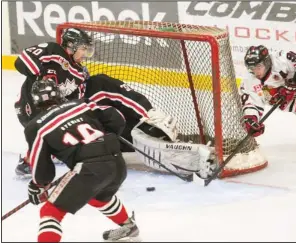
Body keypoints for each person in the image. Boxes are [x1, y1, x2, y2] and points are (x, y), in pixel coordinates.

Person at [25, 78, 139, 242]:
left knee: (50, 211)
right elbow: (117, 117)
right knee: (98, 196)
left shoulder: (35, 126)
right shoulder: (82, 103)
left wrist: (38, 185)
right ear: (58, 94)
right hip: (116, 162)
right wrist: (104, 138)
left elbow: (40, 164)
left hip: (89, 169)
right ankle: (128, 226)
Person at [84, 74, 218, 179]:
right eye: (83, 49)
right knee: (100, 84)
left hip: (97, 136)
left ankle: (182, 152)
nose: (85, 54)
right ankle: (150, 116)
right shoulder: (92, 87)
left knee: (141, 133)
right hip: (94, 139)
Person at [14, 27, 94, 177]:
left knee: (67, 128)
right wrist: (41, 76)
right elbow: (21, 61)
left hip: (49, 111)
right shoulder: (53, 50)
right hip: (29, 105)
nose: (85, 54)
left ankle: (52, 152)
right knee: (45, 132)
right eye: (83, 48)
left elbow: (77, 99)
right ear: (71, 46)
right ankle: (27, 163)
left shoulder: (79, 72)